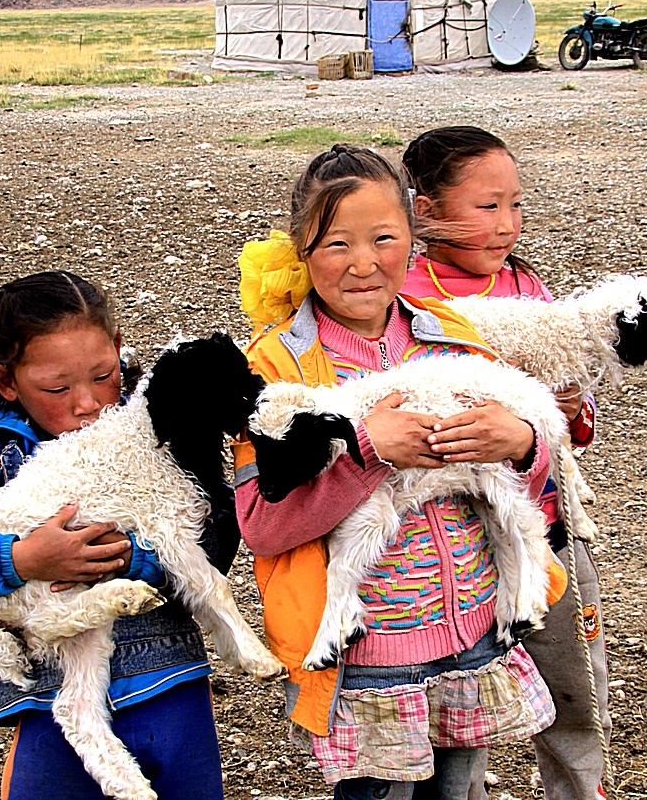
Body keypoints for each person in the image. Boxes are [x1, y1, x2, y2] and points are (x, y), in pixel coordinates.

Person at [233, 145, 562, 800]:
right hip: (369, 658)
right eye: (335, 243)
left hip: (472, 629)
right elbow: (263, 524)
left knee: (458, 789)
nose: (362, 262)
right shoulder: (276, 373)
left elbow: (527, 489)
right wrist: (365, 449)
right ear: (300, 249)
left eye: (383, 237)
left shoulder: (455, 340)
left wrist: (521, 441)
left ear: (414, 236)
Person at [0, 270, 230, 800]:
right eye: (57, 388)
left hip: (170, 685)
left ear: (119, 350)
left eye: (103, 375)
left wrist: (130, 558)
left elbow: (216, 542)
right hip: (50, 707)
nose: (87, 401)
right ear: (6, 381)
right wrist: (21, 559)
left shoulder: (159, 434)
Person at [403, 126, 610, 800]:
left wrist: (567, 406)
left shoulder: (528, 285)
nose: (507, 224)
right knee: (456, 706)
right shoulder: (404, 293)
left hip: (547, 522)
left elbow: (574, 426)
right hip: (452, 542)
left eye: (515, 205)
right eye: (488, 206)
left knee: (576, 687)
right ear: (425, 208)